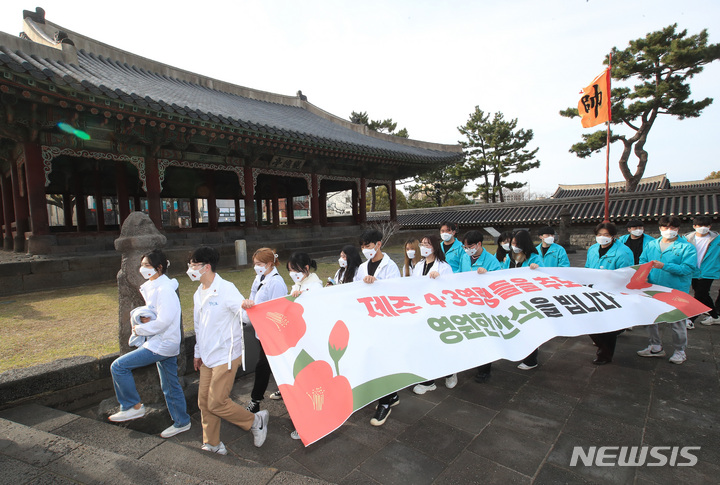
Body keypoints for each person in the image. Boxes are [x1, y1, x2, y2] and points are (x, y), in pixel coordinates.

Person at [189, 246, 268, 454]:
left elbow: (244, 316)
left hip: (226, 354)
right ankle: (212, 443)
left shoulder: (226, 288)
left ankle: (254, 421)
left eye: (193, 264)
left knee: (216, 402)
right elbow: (199, 325)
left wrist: (248, 307)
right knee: (204, 402)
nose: (190, 268)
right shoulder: (199, 292)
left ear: (206, 267)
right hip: (207, 356)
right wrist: (197, 353)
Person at [109, 250, 192, 439]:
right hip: (162, 342)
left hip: (162, 344)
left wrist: (139, 329)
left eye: (147, 265)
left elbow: (165, 321)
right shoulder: (154, 286)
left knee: (119, 366)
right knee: (170, 385)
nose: (142, 269)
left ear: (159, 267)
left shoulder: (164, 289)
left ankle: (132, 405)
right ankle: (182, 421)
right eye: (142, 265)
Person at [637, 216, 697, 365]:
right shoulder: (652, 244)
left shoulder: (686, 247)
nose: (669, 231)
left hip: (675, 290)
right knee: (651, 319)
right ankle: (655, 346)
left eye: (673, 228)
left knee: (677, 321)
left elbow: (688, 269)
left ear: (678, 229)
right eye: (665, 227)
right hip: (652, 288)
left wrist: (665, 266)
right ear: (660, 228)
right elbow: (643, 261)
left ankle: (680, 351)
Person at [356, 229, 401, 426]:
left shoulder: (390, 267)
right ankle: (390, 395)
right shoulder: (362, 267)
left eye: (369, 245)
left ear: (378, 244)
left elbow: (396, 293)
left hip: (384, 322)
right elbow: (355, 291)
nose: (366, 249)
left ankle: (385, 403)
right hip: (367, 320)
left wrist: (377, 284)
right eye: (363, 246)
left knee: (385, 360)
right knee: (373, 358)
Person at [268, 251, 324, 404]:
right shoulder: (298, 284)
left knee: (308, 368)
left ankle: (308, 397)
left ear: (306, 268)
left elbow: (315, 310)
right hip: (295, 332)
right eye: (290, 270)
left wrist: (301, 299)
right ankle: (290, 389)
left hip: (309, 335)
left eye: (295, 269)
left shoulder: (315, 286)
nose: (292, 273)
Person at [240, 248, 288, 414]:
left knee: (263, 366)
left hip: (272, 333)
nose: (256, 267)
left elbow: (278, 310)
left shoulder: (276, 282)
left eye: (259, 264)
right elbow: (253, 295)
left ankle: (256, 399)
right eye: (255, 264)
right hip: (262, 330)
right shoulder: (260, 277)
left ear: (269, 264)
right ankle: (285, 391)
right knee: (273, 365)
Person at [411, 235, 456, 395]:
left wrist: (440, 280)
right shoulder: (418, 265)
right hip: (420, 310)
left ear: (435, 247)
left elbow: (450, 291)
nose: (423, 246)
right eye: (422, 244)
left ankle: (450, 371)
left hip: (436, 311)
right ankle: (428, 381)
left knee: (439, 345)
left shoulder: (444, 267)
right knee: (425, 345)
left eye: (426, 244)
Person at [584, 223, 634, 364]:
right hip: (594, 290)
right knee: (590, 322)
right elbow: (587, 267)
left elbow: (626, 274)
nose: (602, 238)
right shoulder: (593, 249)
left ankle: (605, 355)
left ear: (613, 236)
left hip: (613, 292)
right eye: (599, 235)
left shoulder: (623, 252)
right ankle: (604, 343)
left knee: (608, 326)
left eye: (606, 235)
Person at [459, 230, 502, 383]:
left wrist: (487, 275)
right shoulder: (465, 257)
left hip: (484, 304)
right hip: (467, 302)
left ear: (478, 244)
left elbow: (498, 283)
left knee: (485, 336)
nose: (467, 249)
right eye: (465, 246)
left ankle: (485, 370)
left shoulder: (491, 261)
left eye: (469, 246)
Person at [503, 230, 544, 370]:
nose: (514, 246)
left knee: (529, 328)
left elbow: (543, 278)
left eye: (517, 243)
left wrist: (537, 269)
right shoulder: (510, 257)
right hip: (512, 297)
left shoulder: (534, 258)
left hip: (528, 299)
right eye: (513, 243)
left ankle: (531, 359)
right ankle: (521, 352)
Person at [685, 216, 720, 326]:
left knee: (700, 295)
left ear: (710, 226)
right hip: (693, 270)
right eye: (700, 226)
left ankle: (690, 320)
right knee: (703, 295)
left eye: (706, 226)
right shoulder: (687, 239)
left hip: (709, 271)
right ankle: (715, 316)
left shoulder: (717, 240)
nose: (703, 228)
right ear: (694, 226)